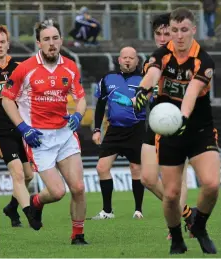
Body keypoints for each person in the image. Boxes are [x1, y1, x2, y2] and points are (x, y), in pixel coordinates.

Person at [135, 7, 220, 254]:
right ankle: (177, 239)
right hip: (169, 132)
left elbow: (192, 92)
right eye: (174, 30)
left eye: (184, 30)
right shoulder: (161, 54)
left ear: (193, 30)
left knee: (212, 184)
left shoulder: (204, 60)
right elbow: (151, 74)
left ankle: (199, 226)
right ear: (169, 31)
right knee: (171, 195)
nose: (179, 35)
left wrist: (182, 118)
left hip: (198, 128)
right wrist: (142, 91)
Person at [2, 18, 88, 245]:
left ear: (61, 40)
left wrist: (78, 115)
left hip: (64, 134)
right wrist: (23, 128)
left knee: (78, 187)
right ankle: (37, 201)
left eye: (55, 38)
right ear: (39, 43)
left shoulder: (70, 66)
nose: (52, 43)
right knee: (58, 192)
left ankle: (78, 236)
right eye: (46, 39)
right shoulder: (25, 69)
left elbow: (81, 98)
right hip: (39, 138)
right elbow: (7, 101)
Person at [141, 13, 195, 240]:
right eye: (159, 34)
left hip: (179, 123)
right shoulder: (152, 61)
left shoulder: (189, 59)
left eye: (167, 33)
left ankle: (174, 232)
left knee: (177, 180)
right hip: (155, 122)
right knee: (147, 178)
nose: (163, 38)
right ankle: (187, 214)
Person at [91, 46, 145, 220]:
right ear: (119, 60)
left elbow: (149, 102)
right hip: (114, 129)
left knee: (136, 169)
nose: (128, 60)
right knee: (102, 167)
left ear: (137, 61)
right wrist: (97, 129)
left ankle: (138, 210)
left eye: (132, 57)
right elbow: (100, 105)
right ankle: (107, 211)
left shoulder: (144, 79)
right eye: (125, 57)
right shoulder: (108, 79)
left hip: (136, 129)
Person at [0, 25, 41, 230]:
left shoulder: (19, 67)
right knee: (18, 174)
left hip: (20, 127)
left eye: (2, 42)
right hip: (0, 129)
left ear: (8, 44)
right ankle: (29, 213)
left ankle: (11, 208)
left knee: (28, 175)